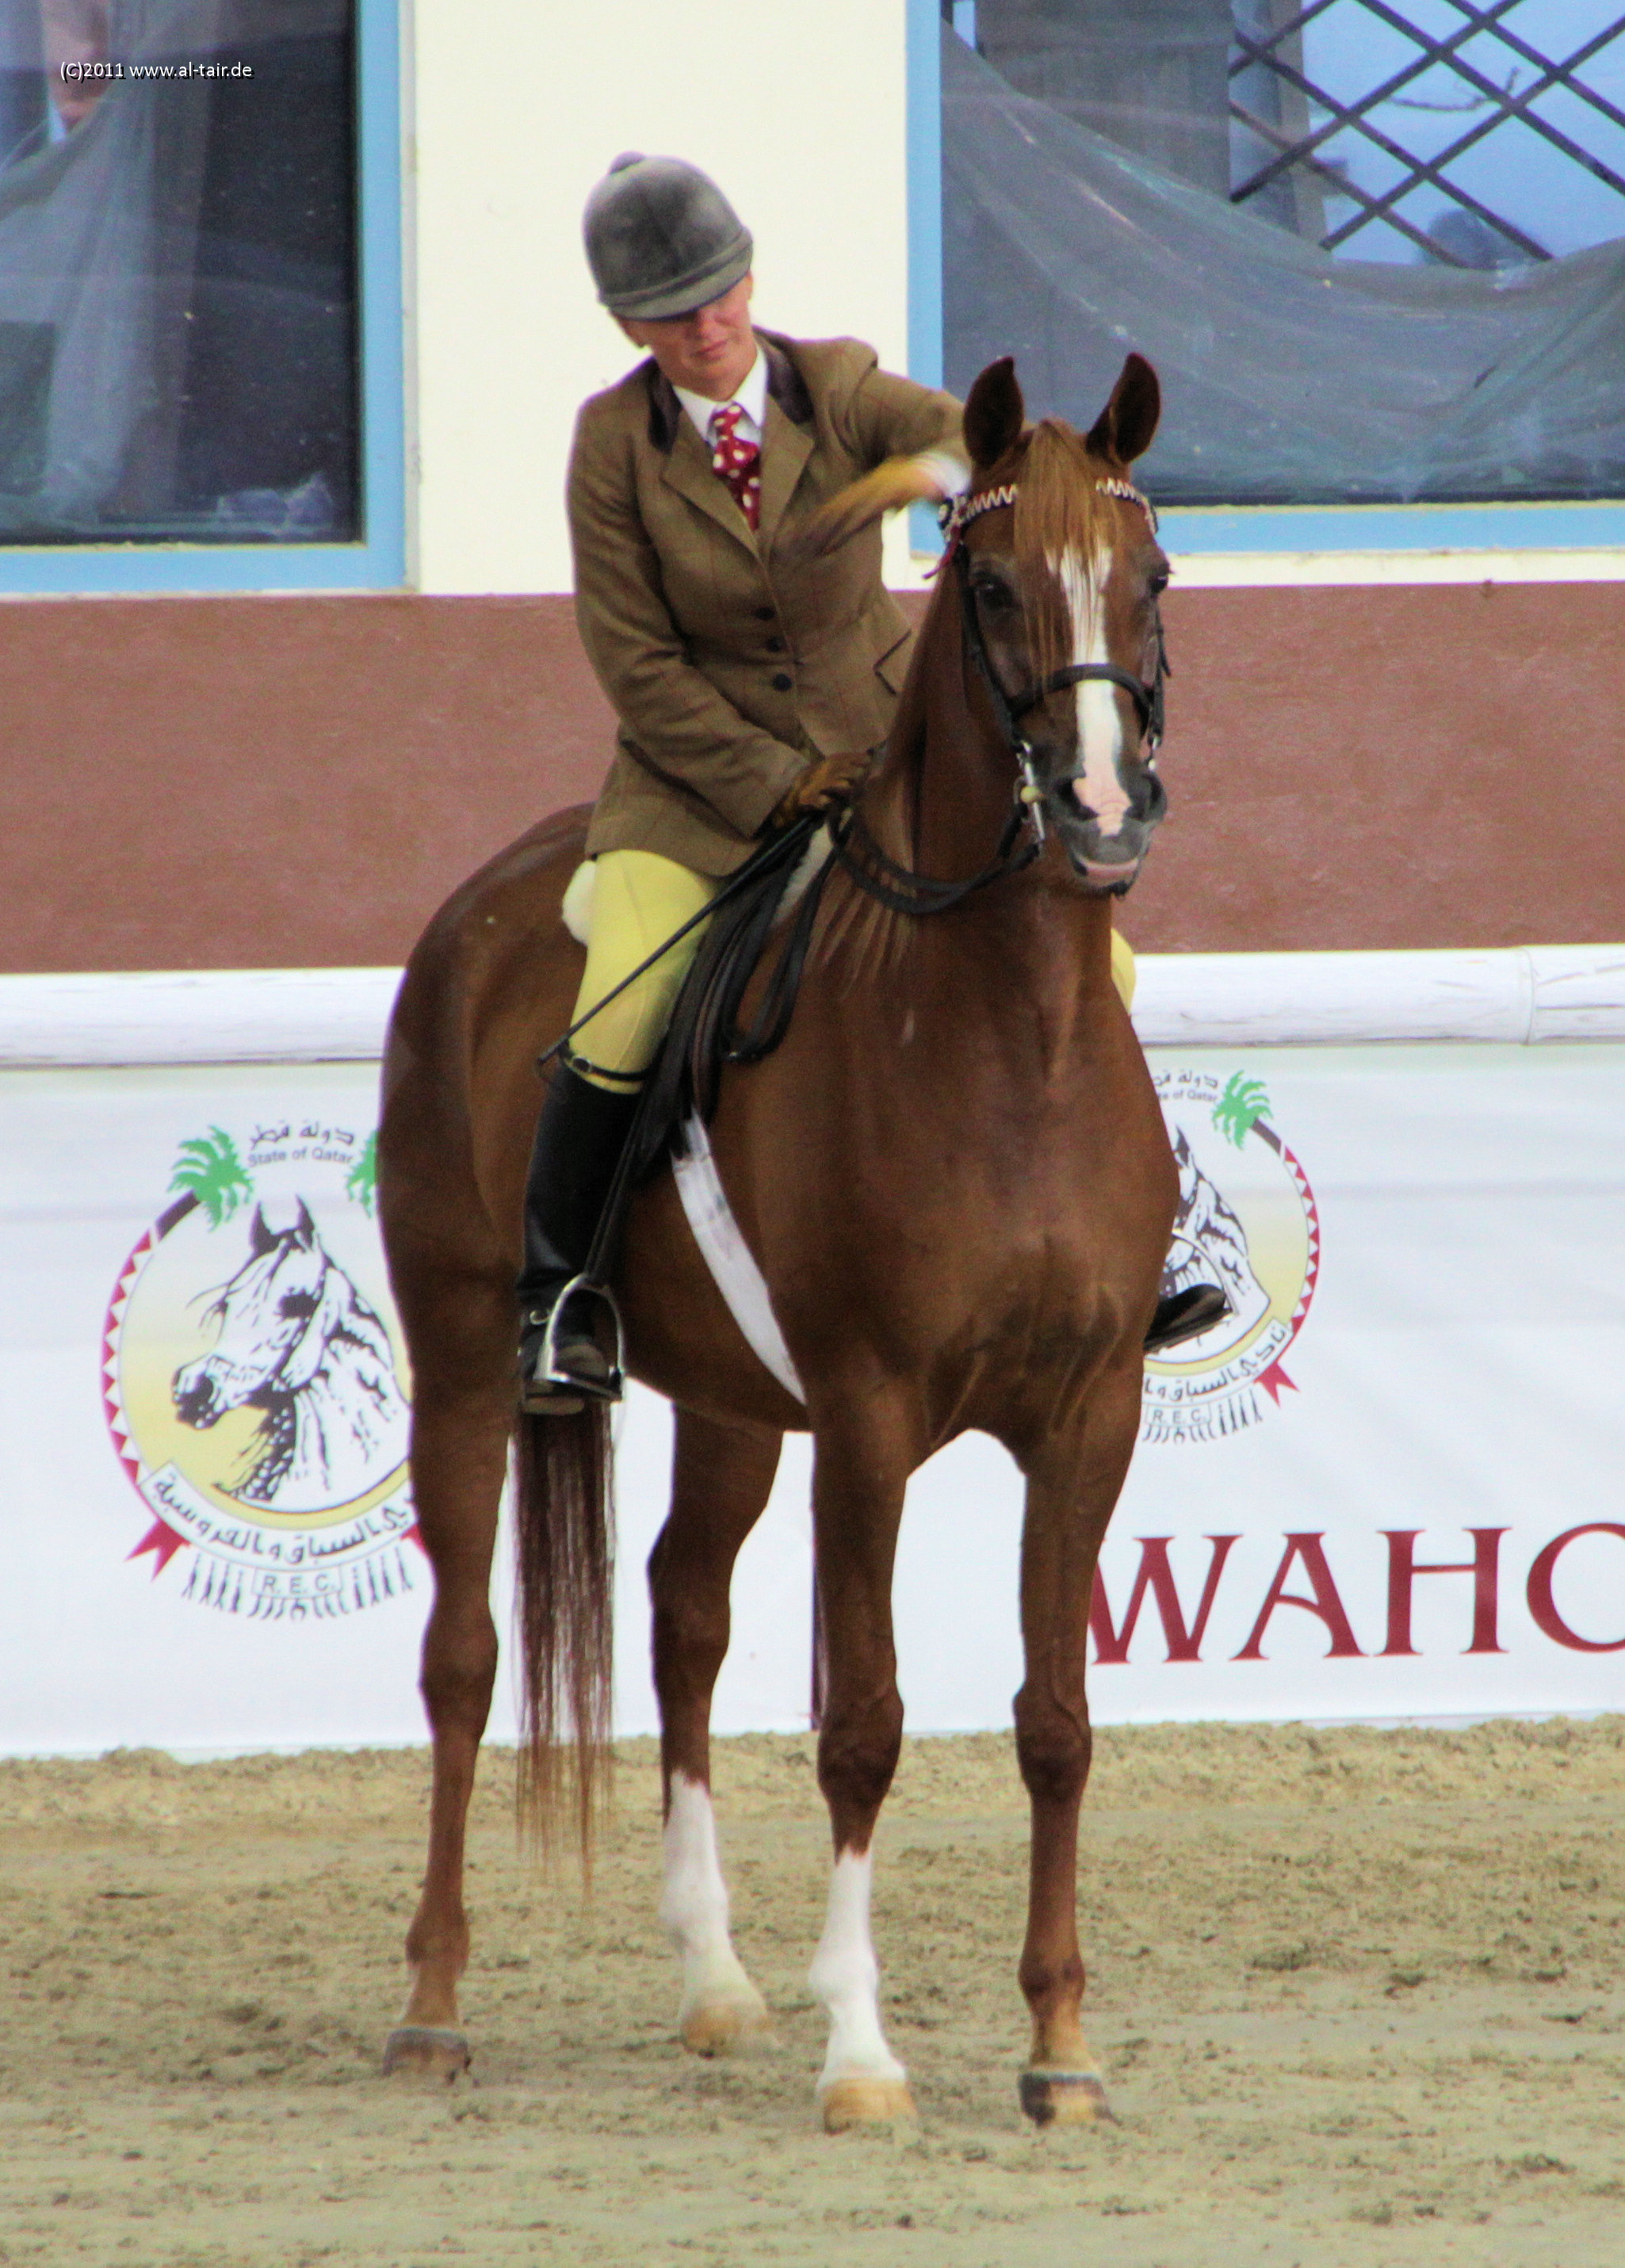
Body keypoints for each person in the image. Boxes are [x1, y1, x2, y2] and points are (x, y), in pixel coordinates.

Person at [518, 153, 1222, 1414]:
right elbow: (635, 661)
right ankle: (563, 1290)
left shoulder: (836, 384)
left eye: (718, 293)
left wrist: (916, 481)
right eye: (672, 312)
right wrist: (776, 777)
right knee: (621, 1005)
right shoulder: (611, 448)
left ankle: (1136, 1256)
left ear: (748, 280)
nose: (706, 325)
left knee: (1098, 967)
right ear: (628, 328)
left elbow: (968, 445)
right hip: (695, 791)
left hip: (886, 758)